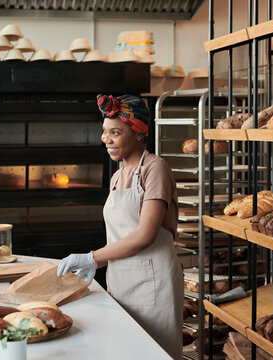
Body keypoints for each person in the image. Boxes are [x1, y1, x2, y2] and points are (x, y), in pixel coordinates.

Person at [57, 94, 183, 359]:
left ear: (138, 133)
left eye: (115, 132)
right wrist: (96, 264)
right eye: (104, 132)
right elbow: (120, 237)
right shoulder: (117, 176)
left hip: (153, 285)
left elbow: (145, 235)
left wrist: (92, 256)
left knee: (152, 353)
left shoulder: (155, 168)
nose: (107, 139)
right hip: (121, 282)